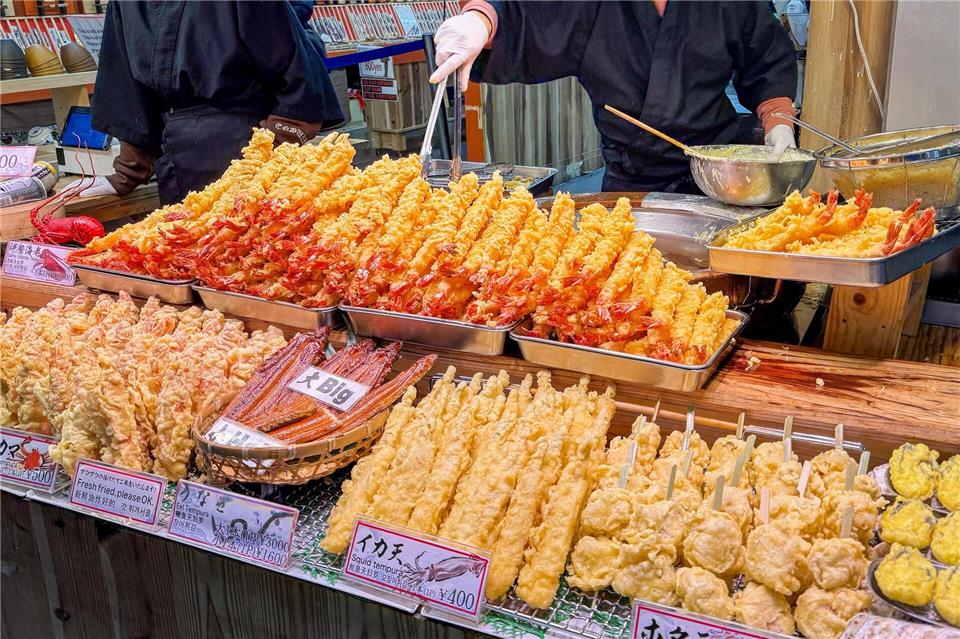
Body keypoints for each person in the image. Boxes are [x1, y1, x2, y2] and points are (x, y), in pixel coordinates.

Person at [429, 1, 798, 194]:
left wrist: (778, 119)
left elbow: (763, 50)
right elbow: (531, 14)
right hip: (631, 184)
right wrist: (482, 21)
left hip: (720, 176)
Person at [84, 1, 344, 204]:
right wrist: (127, 171)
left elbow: (299, 86)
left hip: (252, 153)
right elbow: (130, 91)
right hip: (179, 167)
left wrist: (265, 159)